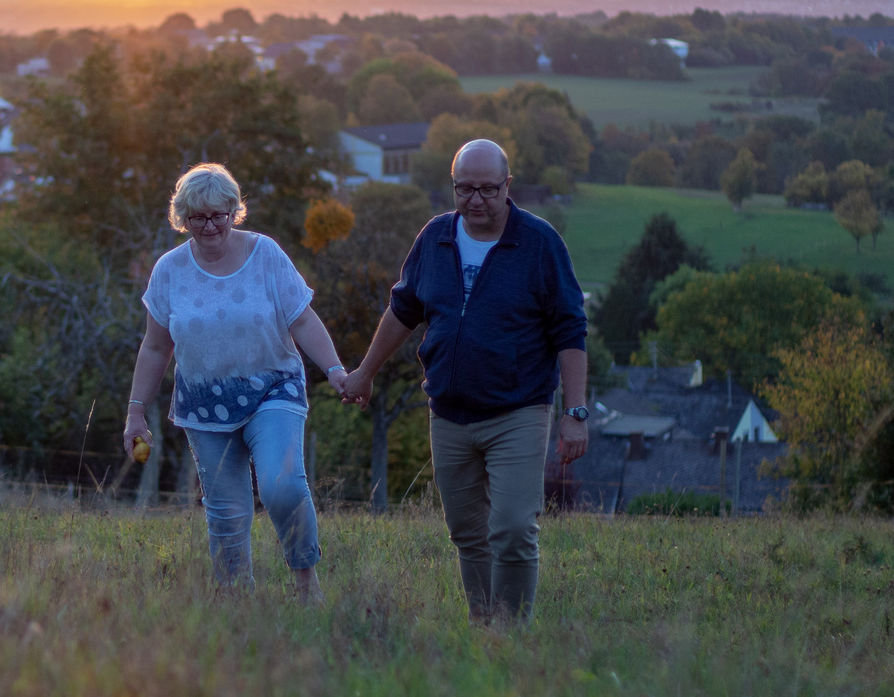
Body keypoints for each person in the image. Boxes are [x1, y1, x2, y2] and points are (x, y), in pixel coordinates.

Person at [340, 140, 588, 624]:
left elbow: (571, 328)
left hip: (518, 410)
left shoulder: (539, 243)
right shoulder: (435, 237)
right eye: (464, 189)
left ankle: (511, 632)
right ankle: (483, 625)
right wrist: (364, 371)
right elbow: (403, 310)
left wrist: (575, 413)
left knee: (513, 527)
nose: (475, 200)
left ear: (507, 186)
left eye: (487, 189)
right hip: (449, 412)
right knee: (467, 531)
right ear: (453, 187)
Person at [124, 163, 349, 600]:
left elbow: (301, 319)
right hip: (204, 404)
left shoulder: (266, 254)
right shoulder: (169, 270)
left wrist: (335, 370)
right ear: (183, 218)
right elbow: (155, 347)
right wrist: (135, 412)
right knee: (226, 514)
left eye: (218, 215)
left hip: (273, 389)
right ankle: (237, 606)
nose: (209, 226)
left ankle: (306, 581)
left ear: (234, 211)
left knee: (281, 484)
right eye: (197, 218)